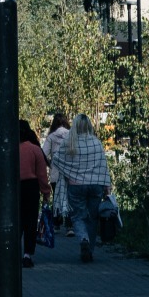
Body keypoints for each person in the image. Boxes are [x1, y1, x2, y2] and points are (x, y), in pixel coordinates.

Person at [55, 113, 112, 263]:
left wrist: (69, 174)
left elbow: (56, 160)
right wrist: (107, 184)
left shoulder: (69, 142)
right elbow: (103, 166)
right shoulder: (96, 143)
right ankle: (90, 250)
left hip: (75, 186)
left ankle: (84, 239)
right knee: (92, 218)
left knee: (78, 216)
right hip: (95, 185)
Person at [18, 121, 50, 268]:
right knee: (30, 222)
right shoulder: (35, 149)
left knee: (16, 221)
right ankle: (27, 254)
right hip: (31, 188)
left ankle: (10, 251)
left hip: (14, 188)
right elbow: (42, 175)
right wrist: (46, 193)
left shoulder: (9, 149)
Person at [43, 112, 73, 220]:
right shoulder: (71, 135)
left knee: (56, 196)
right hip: (70, 172)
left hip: (55, 171)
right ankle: (69, 225)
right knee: (69, 197)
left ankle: (56, 222)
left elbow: (44, 154)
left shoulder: (51, 137)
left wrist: (50, 163)